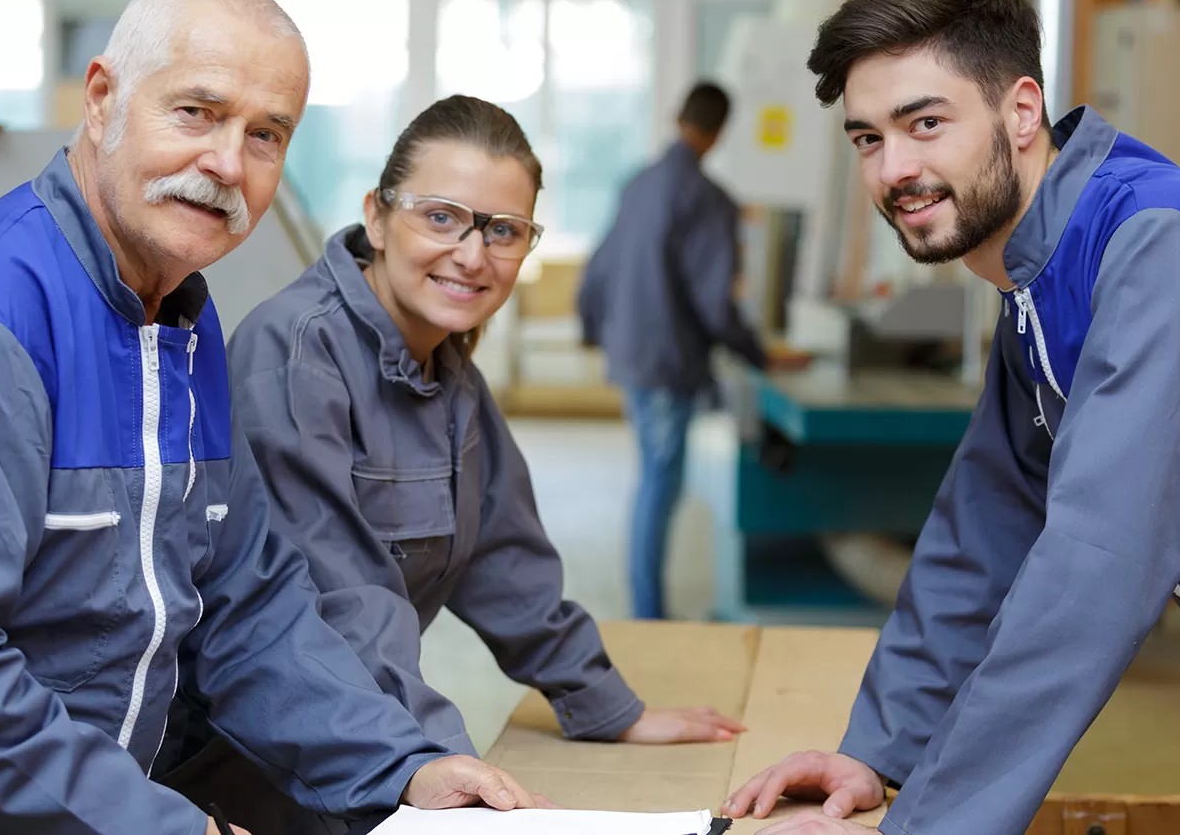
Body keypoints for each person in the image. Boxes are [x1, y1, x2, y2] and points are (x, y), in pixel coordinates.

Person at [0, 0, 538, 834]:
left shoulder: (178, 319)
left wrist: (400, 766)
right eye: (196, 111)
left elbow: (244, 600)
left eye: (266, 135)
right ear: (102, 98)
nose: (227, 162)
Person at [720, 0, 1180, 833]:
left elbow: (1096, 568)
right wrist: (880, 751)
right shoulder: (1038, 277)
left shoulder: (1157, 244)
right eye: (869, 139)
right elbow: (987, 520)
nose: (891, 171)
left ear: (1022, 110)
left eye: (924, 124)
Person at [164, 93, 748, 834]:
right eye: (441, 217)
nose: (473, 255)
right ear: (376, 215)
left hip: (363, 739)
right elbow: (342, 606)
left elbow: (505, 559)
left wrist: (608, 708)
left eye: (504, 230)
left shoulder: (446, 368)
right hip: (248, 761)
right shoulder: (297, 354)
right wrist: (440, 766)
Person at [577, 82, 771, 621]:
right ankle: (649, 616)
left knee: (652, 480)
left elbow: (599, 268)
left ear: (676, 116)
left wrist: (596, 332)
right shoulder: (709, 200)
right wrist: (761, 355)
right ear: (719, 132)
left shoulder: (637, 183)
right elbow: (715, 303)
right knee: (659, 487)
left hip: (632, 353)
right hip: (669, 361)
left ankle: (648, 608)